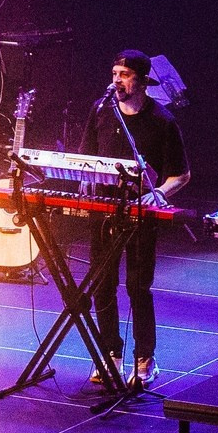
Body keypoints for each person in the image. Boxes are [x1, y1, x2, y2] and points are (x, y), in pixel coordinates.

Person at [80, 48, 190, 388]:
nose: (117, 81)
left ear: (142, 82)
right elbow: (85, 158)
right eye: (114, 74)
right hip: (104, 209)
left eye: (124, 76)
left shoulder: (161, 120)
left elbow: (181, 174)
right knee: (103, 284)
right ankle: (110, 354)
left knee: (137, 287)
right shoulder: (101, 111)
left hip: (141, 211)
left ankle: (145, 359)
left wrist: (158, 193)